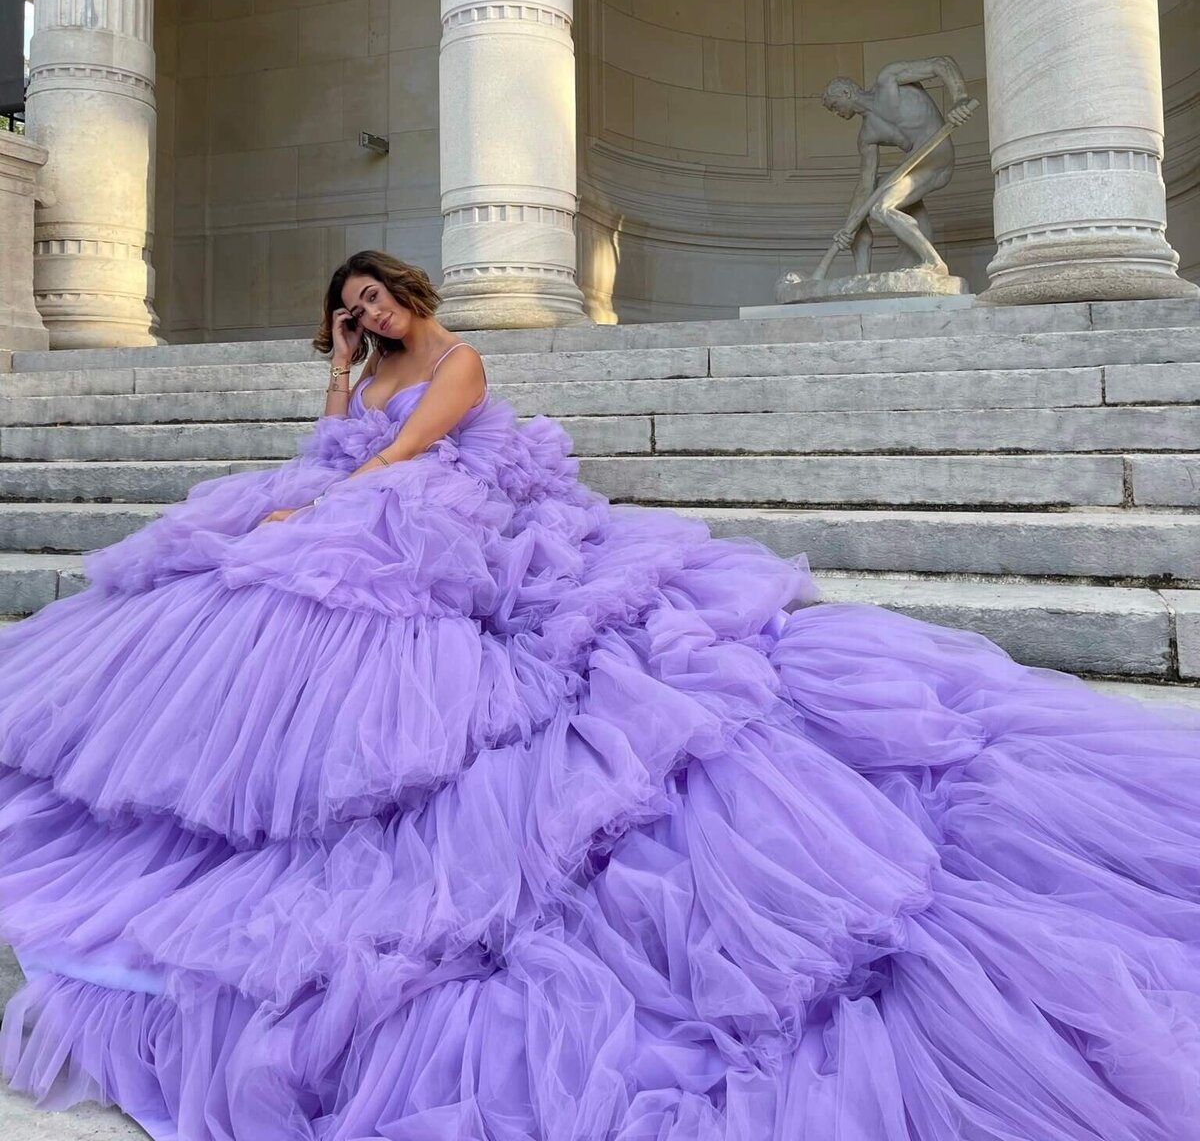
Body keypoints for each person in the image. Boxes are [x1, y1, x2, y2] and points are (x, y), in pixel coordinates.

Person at [0, 249, 1198, 1141]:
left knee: (325, 547)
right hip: (367, 499)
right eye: (350, 307)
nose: (366, 315)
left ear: (410, 293)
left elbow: (401, 461)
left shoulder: (458, 361)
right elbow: (335, 444)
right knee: (254, 559)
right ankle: (244, 765)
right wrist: (334, 383)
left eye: (375, 299)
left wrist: (320, 499)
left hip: (445, 512)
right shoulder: (361, 370)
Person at [822, 56, 975, 276]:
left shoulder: (888, 79)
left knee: (881, 207)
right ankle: (863, 275)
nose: (837, 113)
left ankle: (932, 261)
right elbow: (864, 186)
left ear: (846, 93)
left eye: (835, 106)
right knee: (862, 206)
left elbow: (941, 63)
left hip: (937, 157)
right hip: (914, 164)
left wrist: (960, 98)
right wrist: (849, 227)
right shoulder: (867, 135)